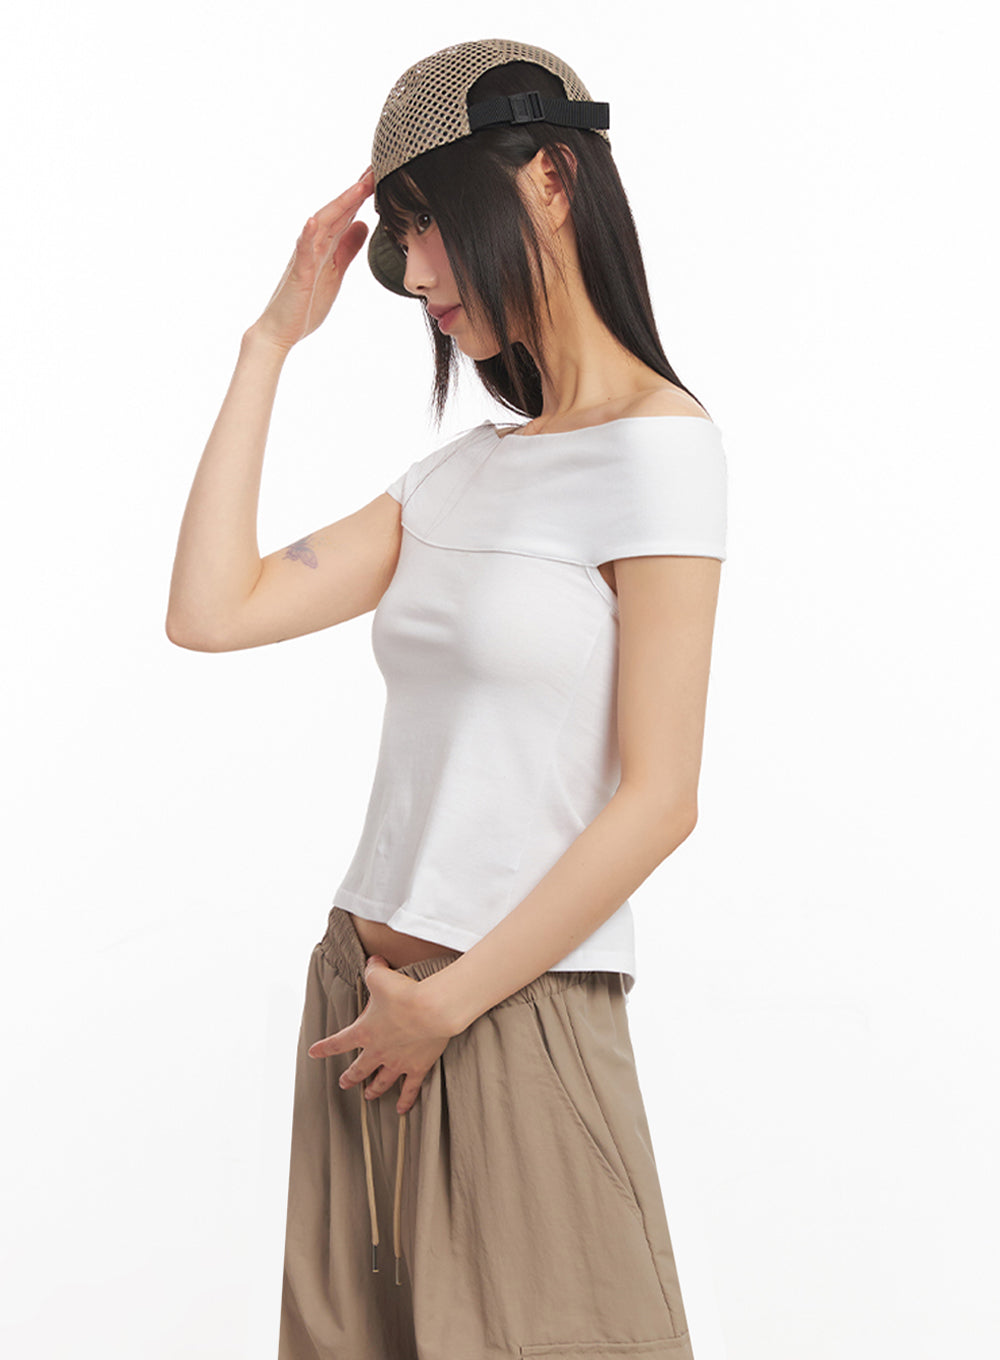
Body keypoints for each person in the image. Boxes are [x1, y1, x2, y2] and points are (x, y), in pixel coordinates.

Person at [166, 37, 727, 1360]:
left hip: (506, 1011)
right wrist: (268, 343)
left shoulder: (662, 454)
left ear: (549, 181)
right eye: (401, 238)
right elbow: (211, 611)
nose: (415, 275)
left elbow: (662, 799)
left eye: (431, 227)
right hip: (363, 1006)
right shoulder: (456, 477)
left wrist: (454, 1001)